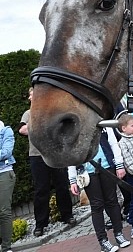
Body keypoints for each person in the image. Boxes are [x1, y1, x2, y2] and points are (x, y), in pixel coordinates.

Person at [19, 87, 76, 237]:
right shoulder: (27, 114)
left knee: (62, 185)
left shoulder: (52, 111)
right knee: (41, 189)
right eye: (31, 95)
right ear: (30, 99)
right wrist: (40, 124)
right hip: (37, 156)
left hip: (56, 153)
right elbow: (22, 130)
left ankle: (67, 215)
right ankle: (40, 224)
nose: (34, 97)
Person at [67, 127, 130, 252]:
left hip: (107, 166)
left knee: (112, 201)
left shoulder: (103, 124)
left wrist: (119, 164)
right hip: (87, 172)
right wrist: (72, 179)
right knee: (97, 206)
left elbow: (113, 143)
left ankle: (119, 233)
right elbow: (71, 154)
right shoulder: (73, 128)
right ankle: (103, 241)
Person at [0, 118, 16, 252]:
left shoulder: (5, 131)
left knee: (4, 211)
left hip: (4, 174)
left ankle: (6, 248)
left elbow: (6, 152)